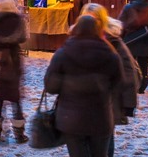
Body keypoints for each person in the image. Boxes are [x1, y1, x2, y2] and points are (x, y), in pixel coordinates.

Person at [44, 15, 123, 157]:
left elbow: (50, 86)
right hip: (101, 116)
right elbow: (118, 83)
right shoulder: (111, 54)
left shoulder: (62, 54)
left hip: (71, 118)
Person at [81, 3, 140, 157]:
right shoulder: (78, 40)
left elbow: (129, 73)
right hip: (83, 101)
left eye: (93, 19)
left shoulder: (113, 41)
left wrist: (128, 104)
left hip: (107, 101)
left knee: (105, 140)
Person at [0, 0, 29, 144]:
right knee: (15, 98)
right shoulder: (18, 19)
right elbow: (23, 37)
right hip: (14, 58)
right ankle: (19, 134)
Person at [119, 0, 148, 94]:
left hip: (131, 40)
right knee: (143, 64)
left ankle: (130, 84)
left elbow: (120, 24)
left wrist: (120, 39)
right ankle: (142, 85)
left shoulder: (128, 7)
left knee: (129, 65)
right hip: (147, 40)